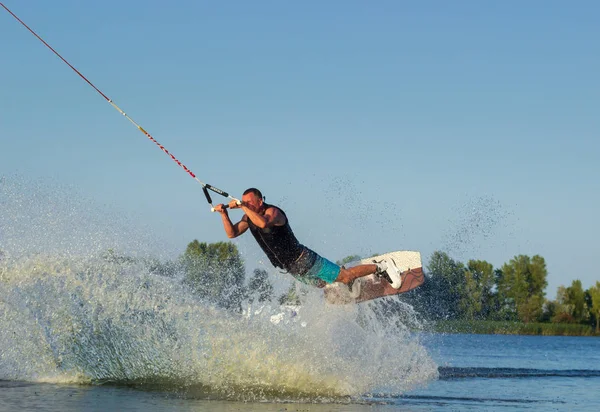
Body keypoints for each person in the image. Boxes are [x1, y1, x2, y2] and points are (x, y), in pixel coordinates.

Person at [214, 188, 403, 290]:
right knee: (322, 285)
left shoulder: (273, 212)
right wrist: (224, 213)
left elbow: (264, 224)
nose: (245, 206)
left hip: (305, 259)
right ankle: (344, 276)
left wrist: (242, 206)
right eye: (244, 202)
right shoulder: (248, 218)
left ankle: (381, 266)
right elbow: (232, 234)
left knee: (345, 277)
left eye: (249, 203)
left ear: (259, 202)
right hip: (292, 269)